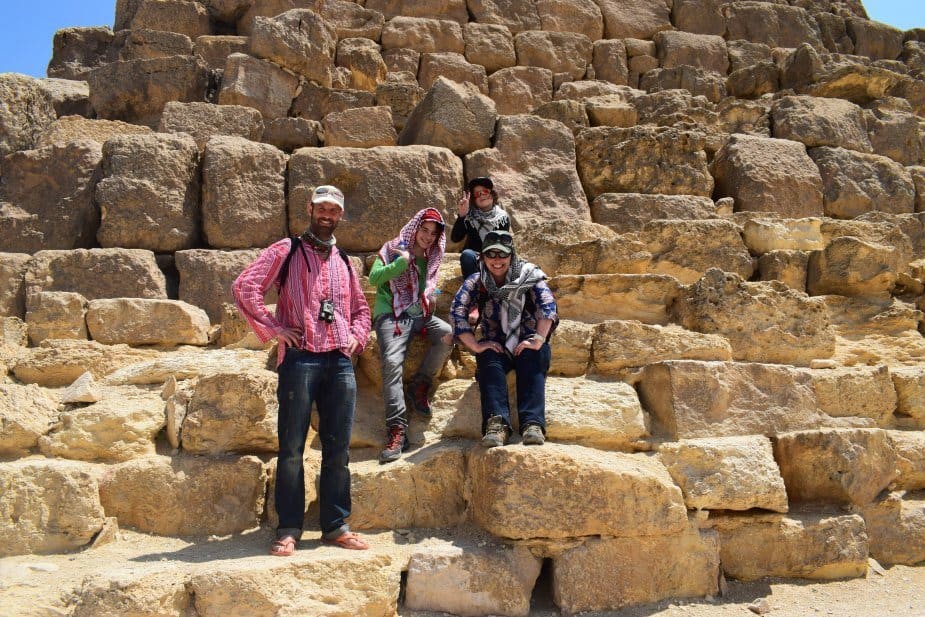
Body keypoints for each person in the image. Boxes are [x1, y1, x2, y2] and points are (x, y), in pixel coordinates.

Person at [232, 184, 372, 556]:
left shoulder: (344, 261)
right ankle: (289, 527)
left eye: (334, 210)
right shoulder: (287, 249)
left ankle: (336, 526)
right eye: (322, 208)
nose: (327, 215)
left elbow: (360, 307)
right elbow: (245, 286)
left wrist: (357, 337)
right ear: (310, 209)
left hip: (339, 361)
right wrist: (275, 329)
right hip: (300, 359)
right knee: (292, 448)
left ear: (340, 215)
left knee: (338, 448)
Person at [449, 230, 558, 447]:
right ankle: (497, 425)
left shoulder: (529, 274)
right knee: (488, 356)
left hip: (528, 338)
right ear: (483, 257)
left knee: (533, 354)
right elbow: (457, 311)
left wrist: (538, 339)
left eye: (503, 254)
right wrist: (475, 346)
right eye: (491, 254)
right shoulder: (477, 280)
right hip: (496, 341)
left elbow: (548, 306)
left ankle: (532, 424)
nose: (497, 260)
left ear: (512, 255)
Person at [369, 208, 453, 464]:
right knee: (392, 364)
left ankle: (420, 384)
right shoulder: (392, 249)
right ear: (415, 228)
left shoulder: (431, 258)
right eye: (424, 230)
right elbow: (374, 278)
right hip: (392, 314)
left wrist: (433, 293)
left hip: (419, 315)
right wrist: (402, 262)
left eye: (433, 233)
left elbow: (430, 286)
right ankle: (396, 429)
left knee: (447, 334)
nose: (427, 237)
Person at [450, 176, 511, 279]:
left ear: (492, 194)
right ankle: (473, 288)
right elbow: (455, 238)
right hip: (475, 259)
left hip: (495, 258)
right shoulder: (469, 217)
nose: (482, 195)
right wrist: (462, 215)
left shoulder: (502, 217)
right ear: (474, 199)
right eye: (477, 194)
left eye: (485, 191)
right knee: (467, 255)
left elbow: (502, 244)